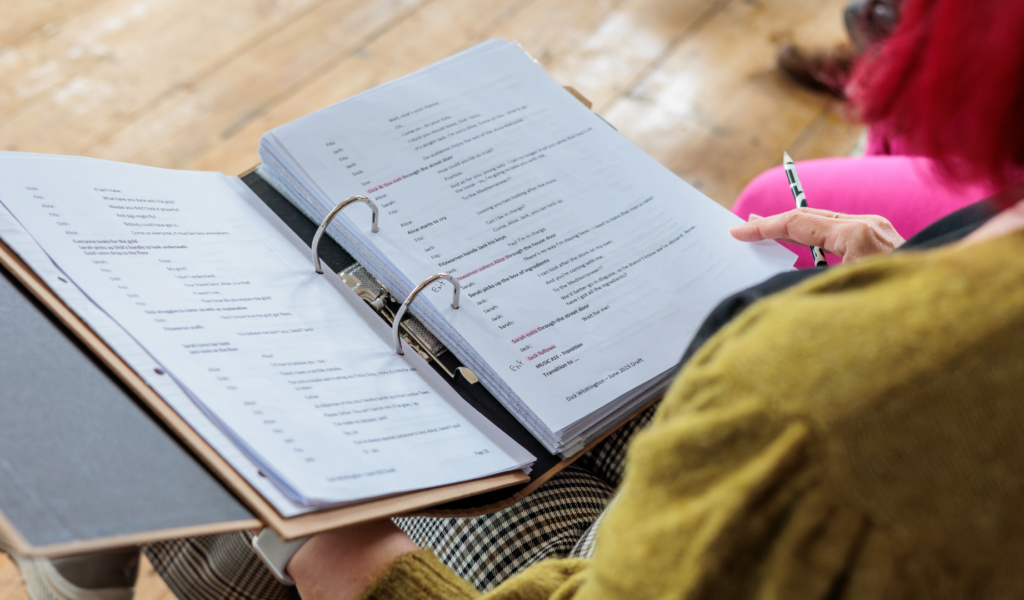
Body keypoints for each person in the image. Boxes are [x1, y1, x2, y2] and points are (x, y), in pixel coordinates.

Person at [275, 0, 1024, 597]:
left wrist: (372, 574)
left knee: (278, 447)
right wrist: (917, 270)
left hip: (628, 547)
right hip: (761, 439)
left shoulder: (813, 403)